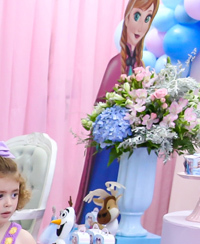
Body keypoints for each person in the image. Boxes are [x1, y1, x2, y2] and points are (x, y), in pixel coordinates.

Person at [75, 0, 159, 220]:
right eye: (137, 16)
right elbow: (101, 104)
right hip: (109, 143)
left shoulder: (140, 66)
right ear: (127, 16)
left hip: (128, 146)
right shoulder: (116, 64)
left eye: (147, 18)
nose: (140, 26)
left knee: (122, 188)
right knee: (104, 183)